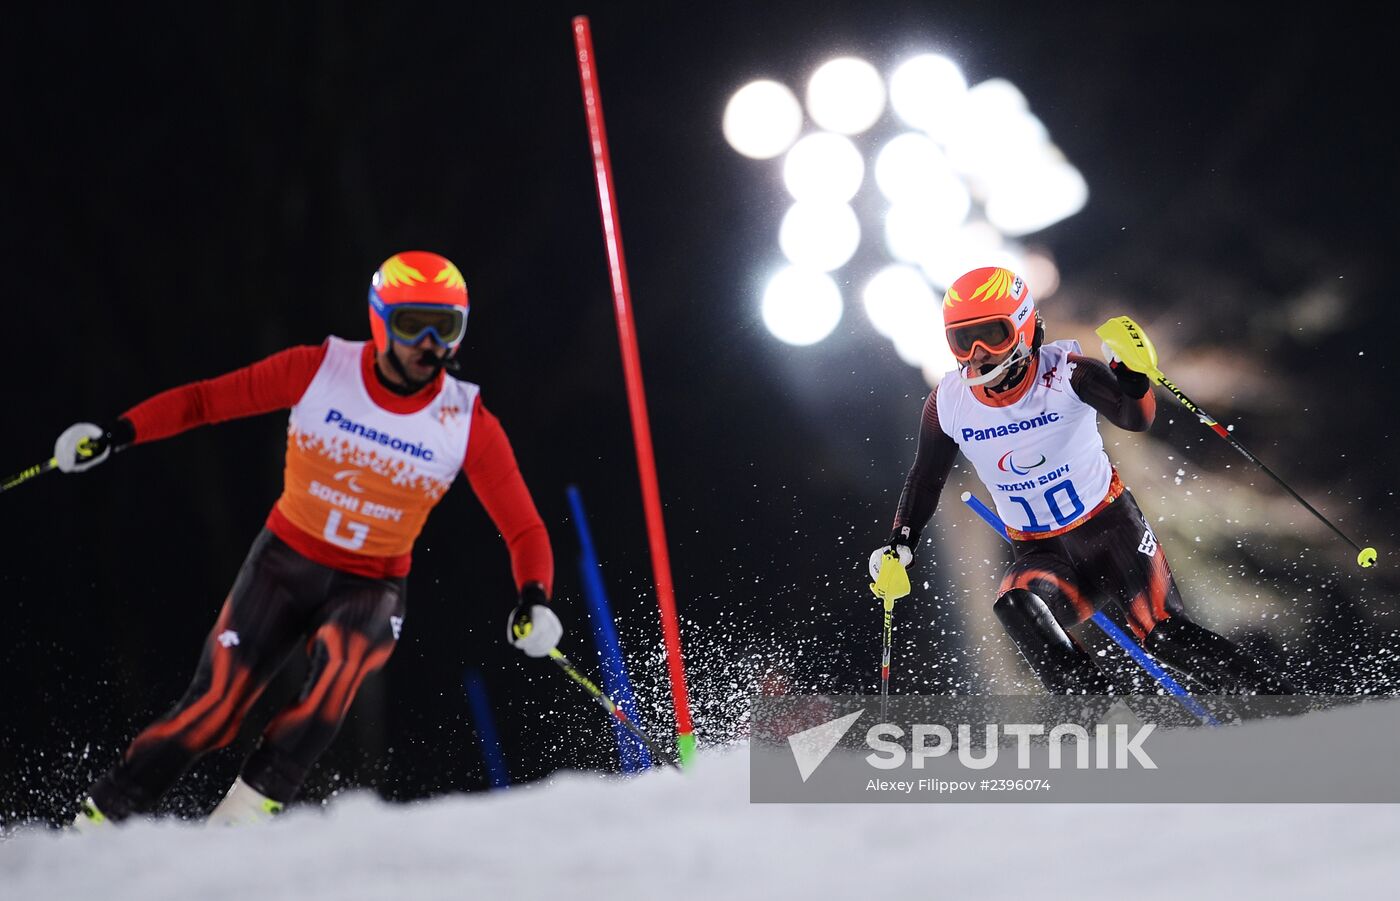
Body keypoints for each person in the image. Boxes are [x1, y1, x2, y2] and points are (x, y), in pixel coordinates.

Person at [59, 250, 563, 828]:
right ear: (380, 321)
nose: (429, 344)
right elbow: (205, 401)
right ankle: (98, 821)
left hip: (372, 584)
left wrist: (535, 598)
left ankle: (243, 816)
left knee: (341, 666)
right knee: (213, 710)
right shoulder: (321, 369)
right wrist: (118, 434)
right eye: (411, 325)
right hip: (283, 564)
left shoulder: (467, 420)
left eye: (444, 327)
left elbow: (523, 526)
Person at [870, 266, 1293, 697]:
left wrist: (1132, 379)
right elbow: (925, 478)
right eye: (963, 339)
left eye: (992, 335)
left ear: (1023, 328)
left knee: (1164, 635)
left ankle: (1281, 702)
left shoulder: (1068, 372)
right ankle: (1102, 713)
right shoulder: (948, 403)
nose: (978, 353)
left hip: (1111, 533)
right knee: (1016, 605)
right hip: (1045, 553)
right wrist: (901, 541)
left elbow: (1136, 418)